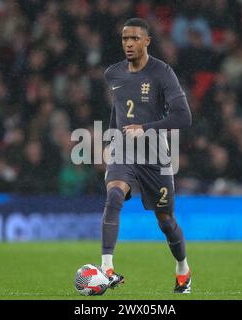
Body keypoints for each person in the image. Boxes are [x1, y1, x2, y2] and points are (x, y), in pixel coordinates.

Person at [101, 18, 192, 293]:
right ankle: (106, 268)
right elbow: (117, 110)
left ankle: (183, 269)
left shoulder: (162, 73)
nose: (129, 44)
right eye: (125, 39)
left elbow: (184, 117)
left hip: (155, 155)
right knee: (114, 194)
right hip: (124, 150)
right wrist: (109, 139)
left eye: (135, 39)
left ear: (147, 41)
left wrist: (146, 128)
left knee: (166, 221)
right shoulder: (113, 74)